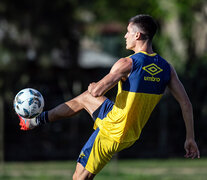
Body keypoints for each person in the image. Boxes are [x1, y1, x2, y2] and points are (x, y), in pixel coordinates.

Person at [18, 14, 200, 180]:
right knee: (83, 99)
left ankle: (35, 121)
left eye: (128, 32)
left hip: (113, 130)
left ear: (137, 36)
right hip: (131, 131)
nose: (125, 36)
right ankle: (36, 120)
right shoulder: (167, 68)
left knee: (79, 178)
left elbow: (97, 91)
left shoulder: (127, 63)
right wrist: (190, 138)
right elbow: (186, 104)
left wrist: (94, 86)